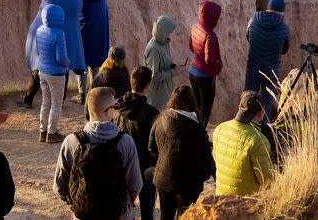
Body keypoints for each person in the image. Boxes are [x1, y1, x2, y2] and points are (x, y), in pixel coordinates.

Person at [54, 87, 143, 220]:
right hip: (119, 214)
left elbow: (59, 186)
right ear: (108, 111)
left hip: (83, 215)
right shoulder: (125, 142)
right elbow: (135, 185)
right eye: (114, 106)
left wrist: (79, 202)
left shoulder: (72, 141)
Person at [148, 86, 214, 219]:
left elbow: (151, 148)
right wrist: (200, 178)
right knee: (184, 216)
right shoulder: (197, 129)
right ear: (192, 102)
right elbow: (207, 163)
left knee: (165, 216)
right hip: (188, 184)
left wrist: (165, 163)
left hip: (163, 179)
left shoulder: (160, 118)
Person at [23, 0, 86, 107]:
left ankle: (28, 100)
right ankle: (59, 102)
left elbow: (40, 19)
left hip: (47, 37)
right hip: (69, 40)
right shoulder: (77, 0)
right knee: (65, 69)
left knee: (39, 68)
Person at [113, 66, 160, 220]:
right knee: (147, 210)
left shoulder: (117, 107)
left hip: (122, 164)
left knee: (124, 207)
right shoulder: (152, 112)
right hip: (145, 166)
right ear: (147, 86)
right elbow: (156, 144)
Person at [212, 91, 275, 196]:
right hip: (247, 201)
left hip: (221, 196)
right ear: (261, 113)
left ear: (239, 107)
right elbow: (267, 180)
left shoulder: (220, 128)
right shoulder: (258, 140)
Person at [245, 0, 290, 120]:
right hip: (271, 69)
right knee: (267, 100)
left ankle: (244, 123)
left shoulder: (253, 20)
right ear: (282, 11)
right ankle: (264, 130)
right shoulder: (284, 28)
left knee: (248, 96)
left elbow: (248, 38)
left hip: (253, 65)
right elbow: (285, 50)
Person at [36, 4, 71, 143]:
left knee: (45, 102)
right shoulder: (59, 34)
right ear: (60, 17)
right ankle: (52, 133)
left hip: (42, 71)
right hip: (56, 74)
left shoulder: (39, 30)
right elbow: (61, 58)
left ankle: (42, 132)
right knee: (56, 104)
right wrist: (68, 63)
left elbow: (39, 51)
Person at [188, 0, 223, 128]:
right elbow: (210, 61)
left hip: (192, 71)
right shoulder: (210, 35)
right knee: (205, 109)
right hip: (205, 76)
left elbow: (191, 47)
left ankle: (194, 130)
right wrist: (219, 64)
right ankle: (201, 135)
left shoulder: (195, 26)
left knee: (196, 106)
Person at [80, 0, 110, 97]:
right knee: (95, 68)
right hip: (98, 37)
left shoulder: (80, 0)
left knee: (82, 66)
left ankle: (82, 93)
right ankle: (93, 93)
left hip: (84, 38)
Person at [145, 15, 179, 110]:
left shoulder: (164, 43)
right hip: (156, 95)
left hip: (165, 92)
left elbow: (166, 62)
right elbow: (155, 75)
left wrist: (174, 66)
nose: (169, 35)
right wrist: (174, 72)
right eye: (168, 32)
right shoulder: (153, 49)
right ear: (162, 31)